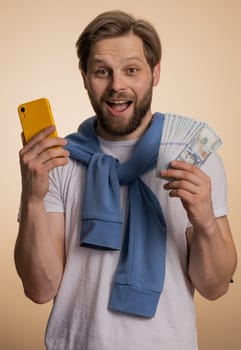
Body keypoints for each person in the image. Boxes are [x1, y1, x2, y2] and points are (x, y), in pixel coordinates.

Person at [15, 10, 237, 350]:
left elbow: (215, 287)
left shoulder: (195, 158)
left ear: (155, 72)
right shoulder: (57, 162)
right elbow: (39, 289)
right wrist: (32, 197)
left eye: (131, 70)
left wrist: (204, 219)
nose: (117, 85)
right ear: (85, 77)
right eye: (102, 71)